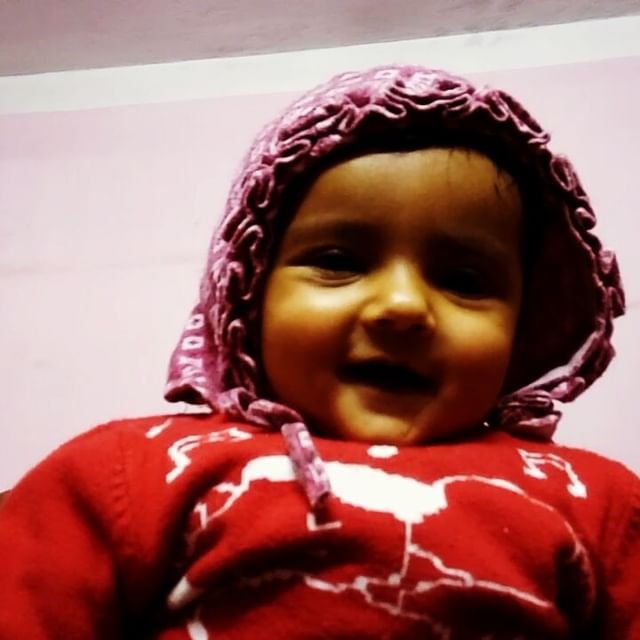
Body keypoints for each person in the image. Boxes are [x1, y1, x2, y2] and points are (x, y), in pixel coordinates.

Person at [0, 65, 638, 639]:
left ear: (527, 324)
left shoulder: (599, 499)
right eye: (338, 261)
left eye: (464, 280)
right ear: (246, 292)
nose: (402, 306)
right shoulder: (129, 471)